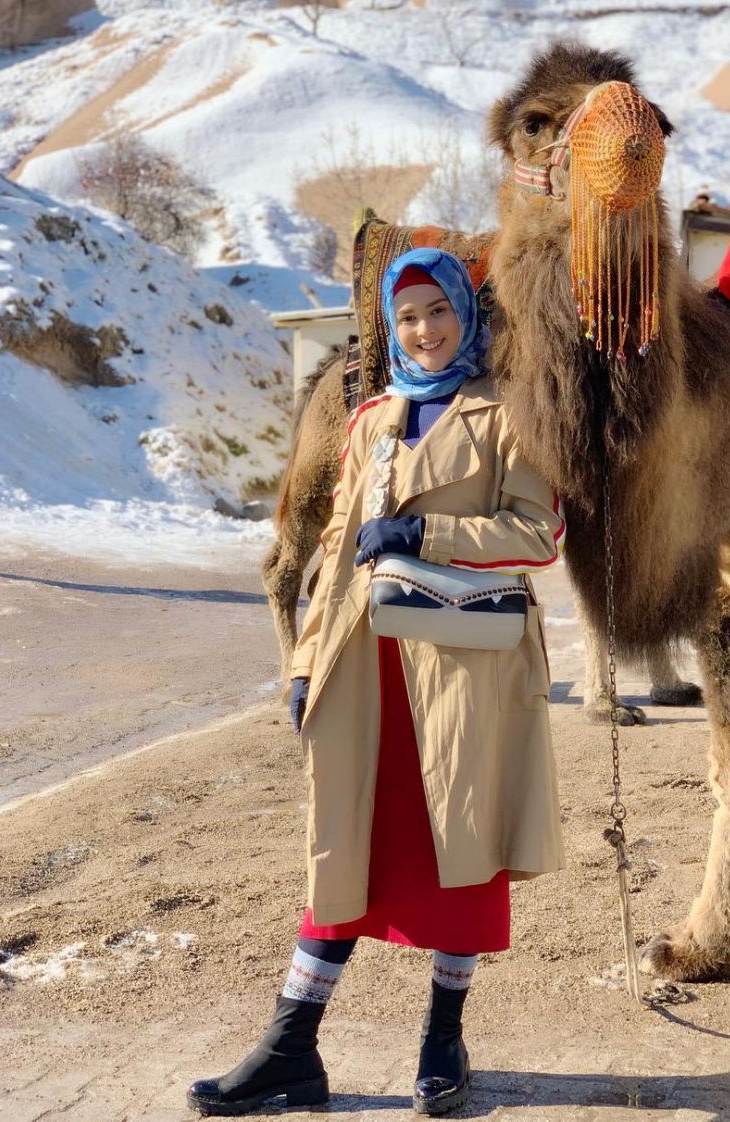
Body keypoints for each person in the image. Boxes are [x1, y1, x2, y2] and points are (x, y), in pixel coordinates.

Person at [187, 248, 566, 1117]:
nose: (425, 330)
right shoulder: (372, 420)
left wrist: (421, 532)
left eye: (438, 311)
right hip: (367, 667)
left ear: (467, 316)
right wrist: (304, 659)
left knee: (458, 854)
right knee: (343, 847)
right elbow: (335, 550)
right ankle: (292, 1048)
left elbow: (539, 534)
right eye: (408, 319)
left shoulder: (509, 416)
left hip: (465, 669)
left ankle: (443, 1040)